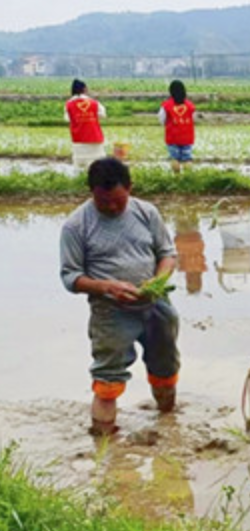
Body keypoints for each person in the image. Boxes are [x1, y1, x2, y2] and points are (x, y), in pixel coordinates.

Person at [59, 158, 179, 435]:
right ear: (92, 192)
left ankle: (170, 426)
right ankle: (104, 445)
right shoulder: (76, 226)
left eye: (118, 201)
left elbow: (167, 254)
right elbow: (70, 277)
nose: (112, 208)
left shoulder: (146, 212)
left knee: (165, 367)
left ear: (130, 188)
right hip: (110, 312)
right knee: (107, 380)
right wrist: (108, 287)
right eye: (104, 202)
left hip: (156, 304)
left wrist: (158, 282)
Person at [64, 78, 107, 167]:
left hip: (79, 139)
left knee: (79, 164)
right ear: (84, 89)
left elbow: (67, 119)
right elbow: (103, 115)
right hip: (94, 137)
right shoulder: (94, 103)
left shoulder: (69, 104)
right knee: (98, 163)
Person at [158, 80, 196, 172]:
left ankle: (177, 177)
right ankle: (188, 177)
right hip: (187, 136)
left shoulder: (166, 105)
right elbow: (193, 119)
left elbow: (161, 119)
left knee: (174, 158)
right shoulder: (190, 105)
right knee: (187, 158)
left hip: (173, 136)